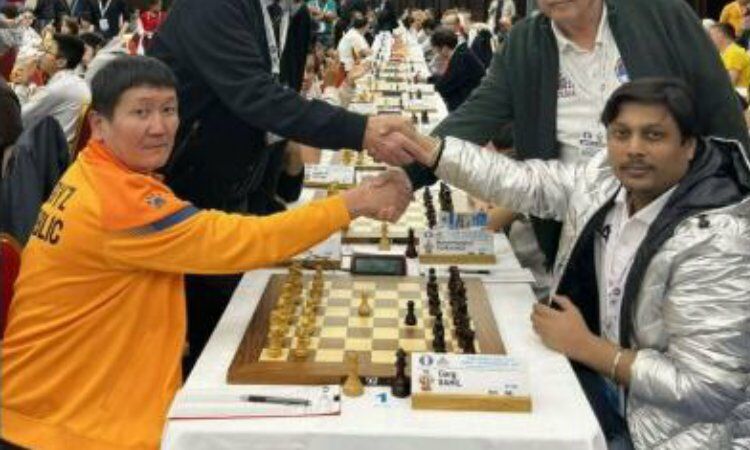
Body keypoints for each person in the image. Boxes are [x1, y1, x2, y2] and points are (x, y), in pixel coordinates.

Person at [0, 55, 412, 450]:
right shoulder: (115, 202)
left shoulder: (92, 172)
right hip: (60, 426)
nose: (159, 127)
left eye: (169, 110)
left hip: (46, 406)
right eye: (140, 112)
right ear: (98, 125)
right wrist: (353, 203)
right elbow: (242, 242)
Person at [405, 77, 750, 449]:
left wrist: (587, 347)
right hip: (600, 383)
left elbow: (707, 389)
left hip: (663, 433)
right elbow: (525, 183)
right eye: (621, 134)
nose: (634, 149)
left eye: (654, 136)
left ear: (689, 145)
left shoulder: (718, 241)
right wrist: (430, 150)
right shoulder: (606, 181)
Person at [147, 0, 418, 367]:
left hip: (247, 192)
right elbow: (257, 96)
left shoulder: (295, 16)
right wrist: (361, 130)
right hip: (187, 196)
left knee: (245, 324)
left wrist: (277, 189)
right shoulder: (212, 7)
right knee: (209, 342)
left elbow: (282, 99)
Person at [404, 0, 750, 284]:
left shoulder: (663, 17)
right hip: (572, 236)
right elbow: (472, 118)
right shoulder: (525, 43)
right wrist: (406, 178)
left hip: (674, 235)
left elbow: (724, 124)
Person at [21, 33, 89, 147]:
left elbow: (19, 119)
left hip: (46, 151)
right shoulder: (72, 81)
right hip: (59, 146)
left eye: (47, 51)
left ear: (61, 62)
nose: (41, 54)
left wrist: (24, 83)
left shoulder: (59, 88)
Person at [426, 26, 485, 111]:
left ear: (444, 48)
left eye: (437, 50)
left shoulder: (461, 58)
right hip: (466, 100)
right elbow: (447, 79)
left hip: (469, 107)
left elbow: (443, 87)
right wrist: (428, 79)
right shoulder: (461, 52)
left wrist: (429, 83)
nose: (437, 54)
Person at [709, 22, 750, 88]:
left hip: (740, 93)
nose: (708, 38)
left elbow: (728, 84)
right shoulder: (724, 53)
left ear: (721, 35)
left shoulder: (734, 52)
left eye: (711, 35)